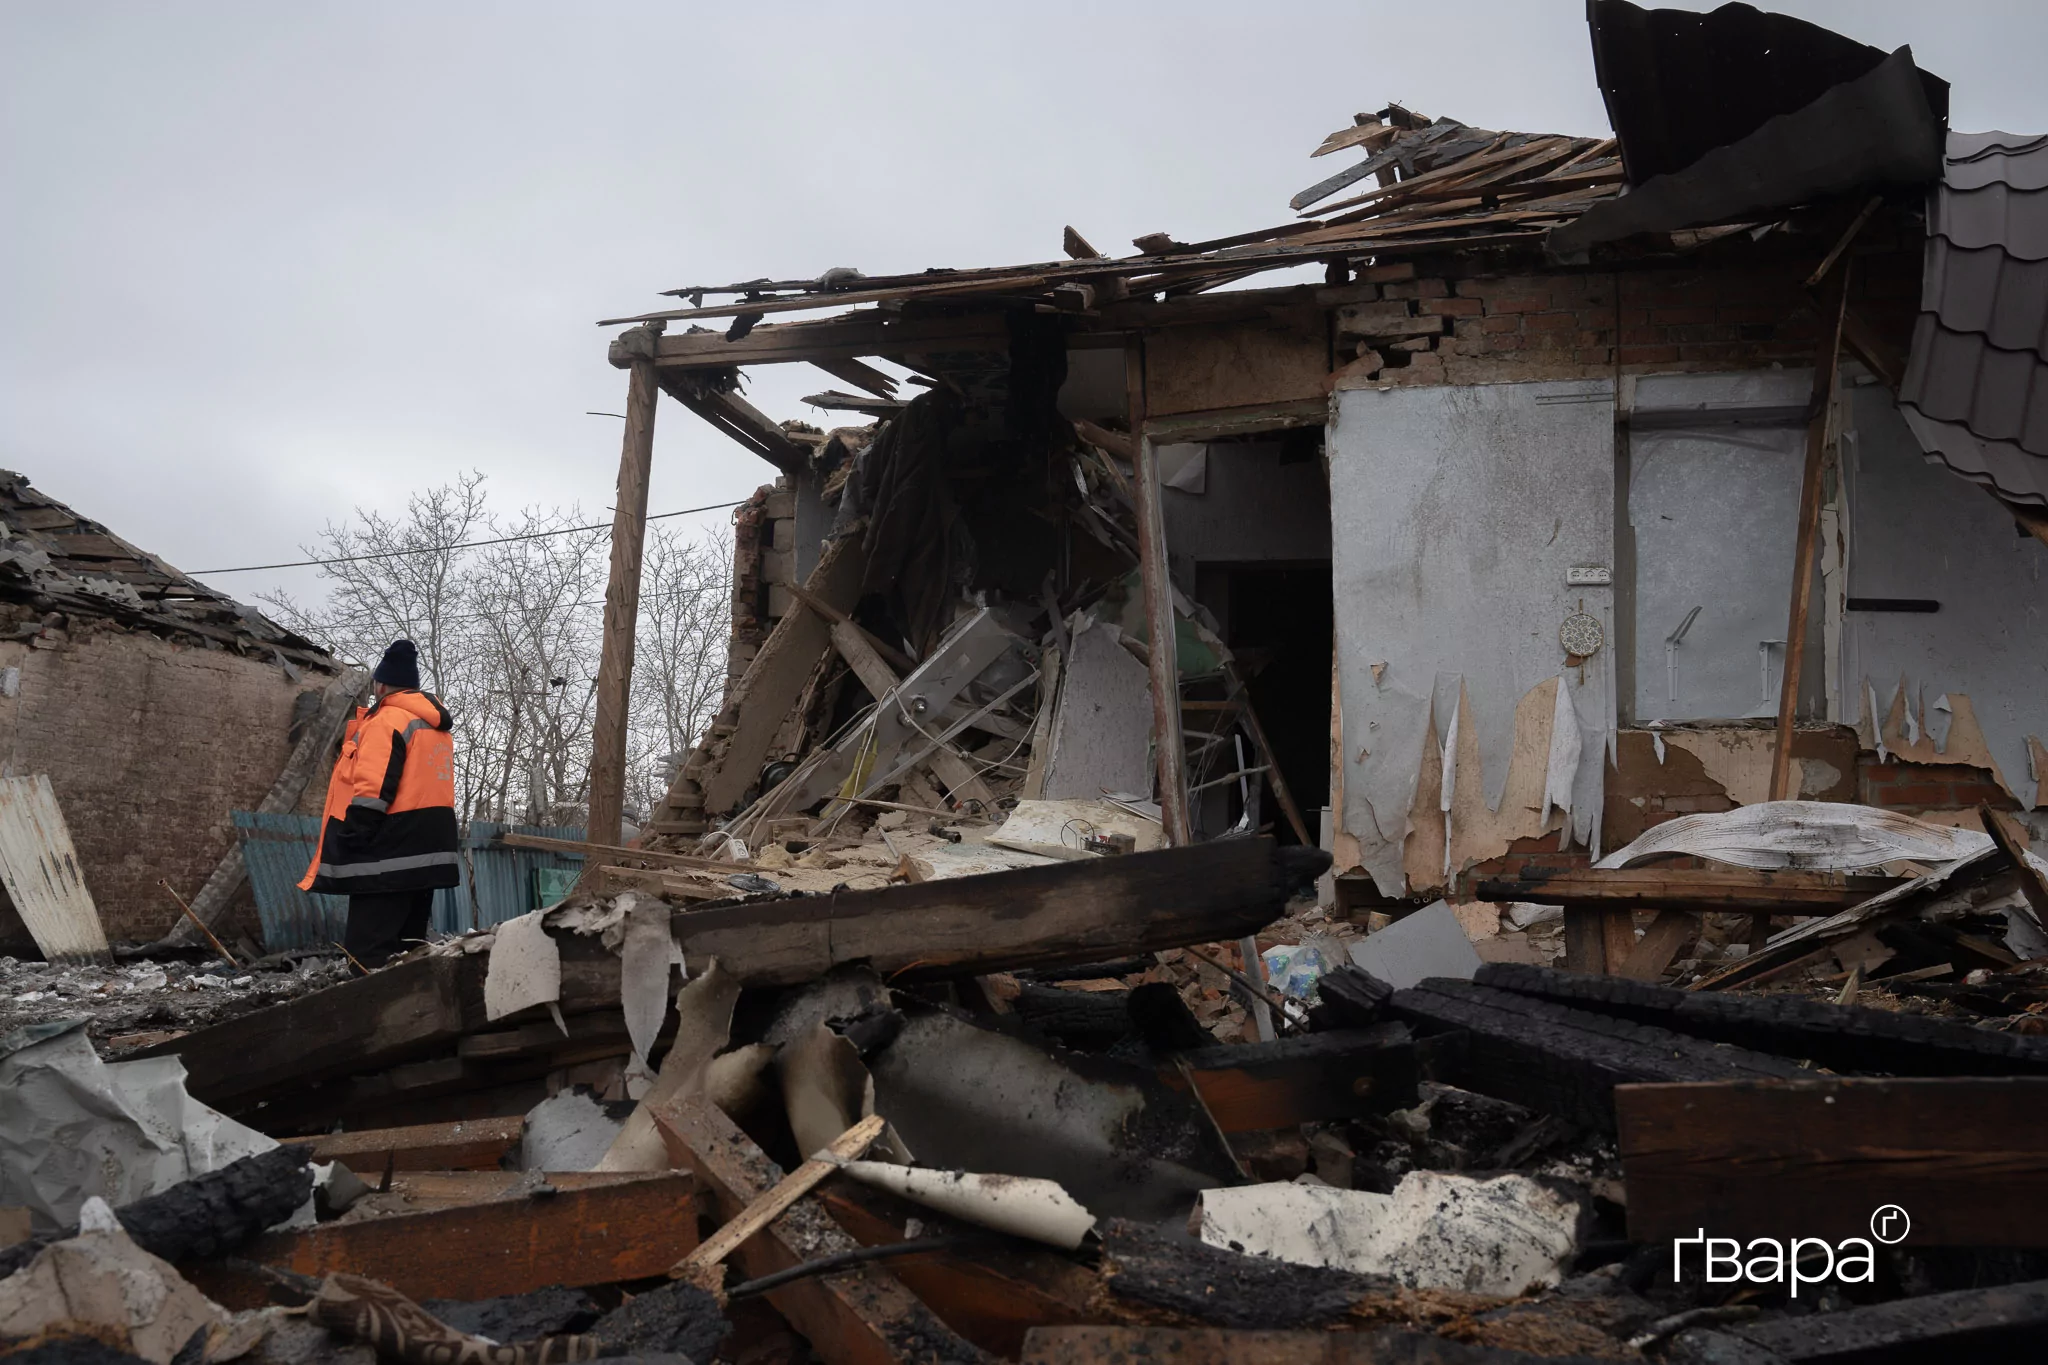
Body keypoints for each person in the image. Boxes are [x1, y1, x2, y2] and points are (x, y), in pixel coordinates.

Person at [299, 640, 459, 968]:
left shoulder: (387, 721)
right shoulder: (434, 726)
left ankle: (372, 1017)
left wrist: (354, 836)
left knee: (368, 957)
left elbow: (374, 786)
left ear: (381, 684)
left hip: (386, 856)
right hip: (425, 854)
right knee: (410, 953)